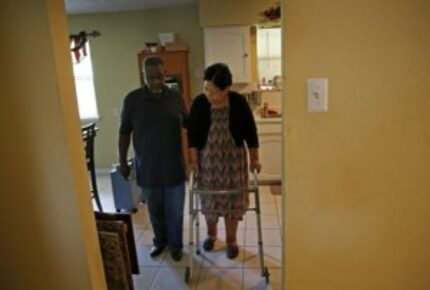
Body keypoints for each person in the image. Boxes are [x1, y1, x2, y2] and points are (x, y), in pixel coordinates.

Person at [118, 56, 188, 261]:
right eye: (150, 78)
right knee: (155, 212)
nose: (156, 82)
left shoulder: (176, 97)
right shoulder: (132, 99)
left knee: (174, 213)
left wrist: (195, 157)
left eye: (159, 76)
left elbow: (189, 125)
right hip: (147, 168)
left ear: (165, 73)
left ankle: (175, 246)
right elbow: (124, 133)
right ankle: (161, 242)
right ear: (143, 76)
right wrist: (122, 162)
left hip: (174, 167)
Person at [187, 63, 261, 259]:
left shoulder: (238, 102)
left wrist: (254, 159)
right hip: (208, 164)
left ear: (226, 89)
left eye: (212, 91)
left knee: (232, 203)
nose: (208, 94)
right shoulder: (199, 103)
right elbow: (193, 137)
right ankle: (212, 235)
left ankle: (231, 240)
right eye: (206, 88)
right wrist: (193, 162)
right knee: (211, 202)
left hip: (234, 164)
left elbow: (251, 133)